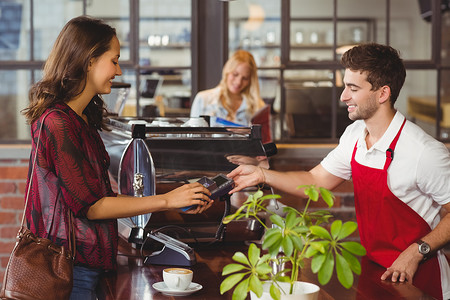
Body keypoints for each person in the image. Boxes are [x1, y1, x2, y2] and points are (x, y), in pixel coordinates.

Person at [227, 43, 450, 300]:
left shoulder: (424, 152)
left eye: (352, 89)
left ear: (382, 94)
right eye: (345, 86)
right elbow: (316, 180)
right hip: (375, 271)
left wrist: (417, 250)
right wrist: (261, 174)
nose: (343, 96)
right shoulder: (355, 136)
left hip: (420, 279)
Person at [21, 16, 212, 300]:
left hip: (86, 266)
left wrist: (179, 197)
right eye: (114, 60)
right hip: (68, 269)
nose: (119, 71)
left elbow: (99, 194)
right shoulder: (57, 123)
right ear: (88, 60)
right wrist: (168, 200)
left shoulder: (80, 119)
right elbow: (93, 206)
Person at [190, 49, 266, 126]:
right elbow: (192, 136)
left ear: (250, 80)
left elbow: (264, 137)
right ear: (227, 72)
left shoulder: (258, 107)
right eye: (235, 74)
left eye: (245, 78)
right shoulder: (203, 99)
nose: (238, 82)